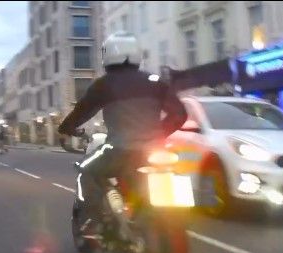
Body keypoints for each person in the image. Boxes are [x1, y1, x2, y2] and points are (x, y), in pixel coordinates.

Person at [58, 31, 187, 235]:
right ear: (137, 55)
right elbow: (180, 114)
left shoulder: (104, 84)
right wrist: (158, 134)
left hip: (120, 149)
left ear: (107, 56)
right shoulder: (155, 81)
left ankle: (93, 220)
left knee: (85, 169)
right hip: (155, 150)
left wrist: (65, 130)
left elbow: (82, 111)